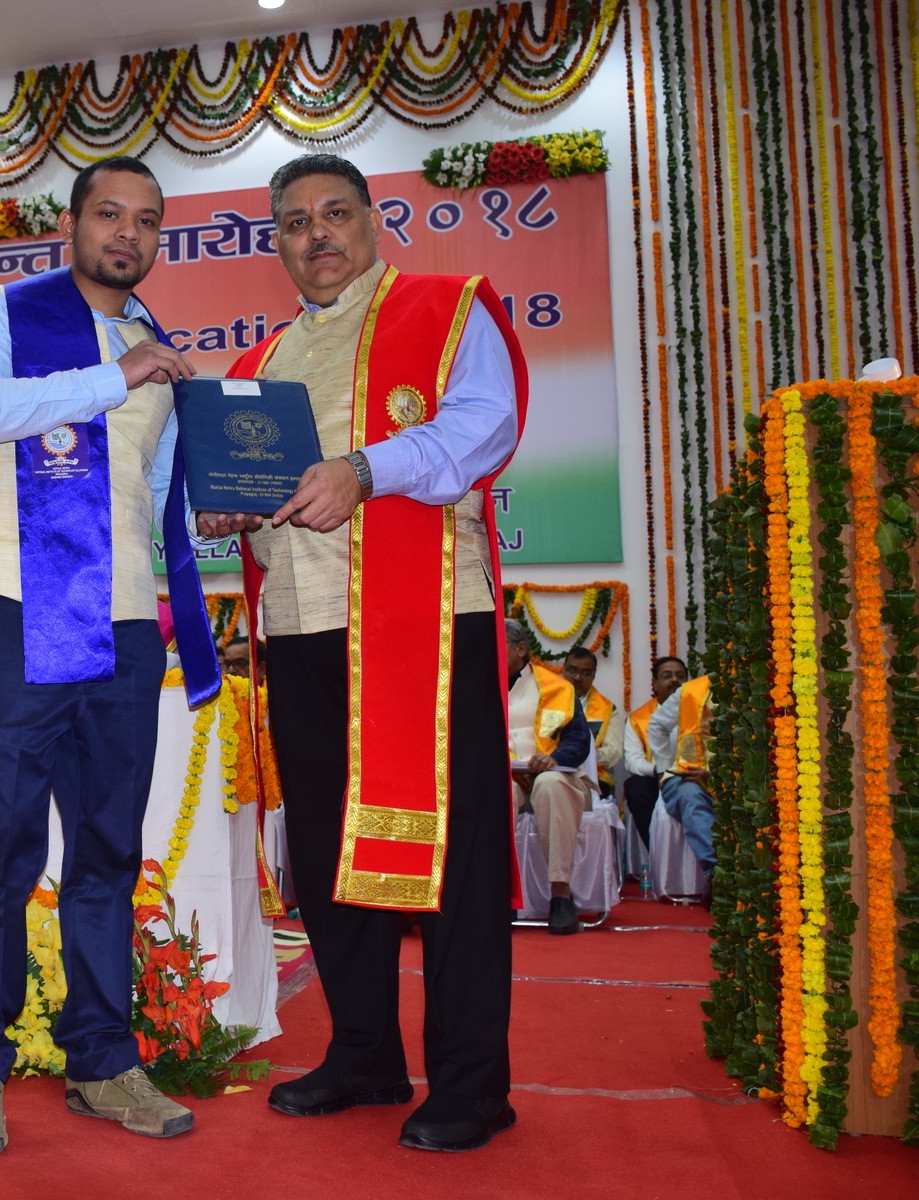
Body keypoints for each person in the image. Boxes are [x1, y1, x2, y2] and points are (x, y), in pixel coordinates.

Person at [197, 153, 525, 1152]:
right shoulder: (257, 365)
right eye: (295, 223)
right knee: (329, 850)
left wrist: (365, 469)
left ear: (374, 221)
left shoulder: (446, 308)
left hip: (426, 622)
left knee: (454, 855)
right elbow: (248, 489)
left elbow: (487, 426)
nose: (317, 235)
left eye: (334, 213)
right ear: (278, 244)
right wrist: (227, 509)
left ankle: (472, 1082)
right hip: (301, 628)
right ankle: (365, 1054)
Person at [0, 154, 219, 1155]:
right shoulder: (6, 310)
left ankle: (102, 1062)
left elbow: (157, 487)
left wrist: (220, 504)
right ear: (73, 223)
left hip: (127, 622)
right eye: (110, 213)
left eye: (147, 220)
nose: (127, 233)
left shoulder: (154, 345)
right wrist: (112, 378)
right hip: (17, 610)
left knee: (106, 852)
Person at [506, 620, 594, 935]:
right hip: (508, 778)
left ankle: (560, 894)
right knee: (496, 791)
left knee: (550, 785)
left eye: (499, 646)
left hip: (554, 775)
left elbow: (578, 740)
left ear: (521, 648)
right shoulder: (478, 685)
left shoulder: (558, 687)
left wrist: (555, 758)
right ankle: (500, 894)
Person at [648, 674, 716, 873]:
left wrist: (714, 775)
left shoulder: (756, 687)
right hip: (689, 775)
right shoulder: (692, 691)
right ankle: (716, 872)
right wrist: (662, 769)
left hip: (737, 780)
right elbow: (657, 725)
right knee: (691, 797)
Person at [623, 656, 688, 845]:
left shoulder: (698, 711)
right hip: (655, 777)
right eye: (667, 675)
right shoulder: (639, 718)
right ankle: (655, 848)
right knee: (636, 786)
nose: (674, 680)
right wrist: (658, 770)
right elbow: (632, 760)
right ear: (655, 683)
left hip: (691, 775)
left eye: (680, 676)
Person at [558, 645, 620, 796]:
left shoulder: (607, 709)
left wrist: (580, 755)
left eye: (585, 673)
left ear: (593, 675)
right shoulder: (546, 701)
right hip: (554, 770)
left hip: (595, 776)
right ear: (563, 670)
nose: (578, 677)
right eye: (572, 671)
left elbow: (614, 752)